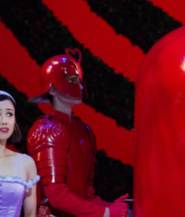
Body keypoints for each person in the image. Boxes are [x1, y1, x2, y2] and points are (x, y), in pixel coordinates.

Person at [26, 50, 129, 217]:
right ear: (52, 89)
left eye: (80, 81)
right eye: (72, 80)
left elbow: (87, 196)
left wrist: (113, 208)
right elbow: (56, 196)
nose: (80, 86)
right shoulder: (46, 130)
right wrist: (107, 213)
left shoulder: (84, 130)